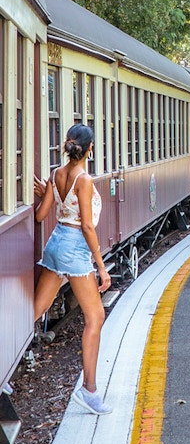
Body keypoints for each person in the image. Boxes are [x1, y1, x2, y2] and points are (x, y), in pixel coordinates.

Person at [34, 124, 112, 415]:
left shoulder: (58, 173)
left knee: (36, 308)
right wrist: (101, 268)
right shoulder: (84, 178)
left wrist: (47, 194)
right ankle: (89, 391)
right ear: (90, 148)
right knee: (96, 316)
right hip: (75, 247)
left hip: (55, 243)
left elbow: (43, 215)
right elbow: (88, 226)